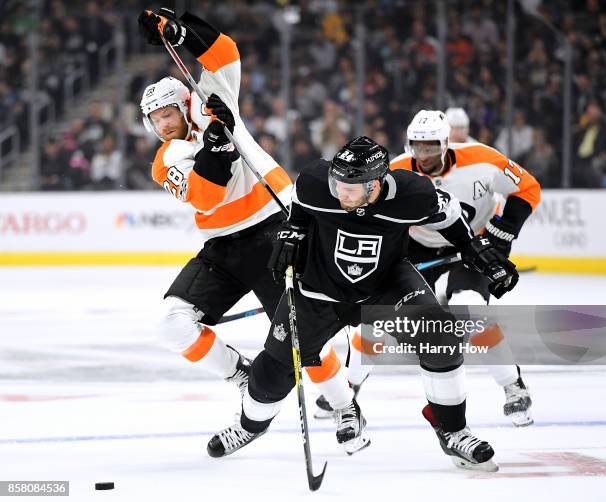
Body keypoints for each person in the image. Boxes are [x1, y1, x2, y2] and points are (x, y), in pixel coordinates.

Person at [208, 135, 519, 471]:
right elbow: (301, 200)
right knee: (273, 371)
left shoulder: (412, 195)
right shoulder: (317, 182)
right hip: (317, 289)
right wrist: (293, 229)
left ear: (375, 185)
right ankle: (250, 426)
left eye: (350, 187)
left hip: (385, 284)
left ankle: (453, 430)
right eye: (337, 182)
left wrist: (475, 249)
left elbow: (449, 214)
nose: (340, 192)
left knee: (440, 336)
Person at [138, 9, 354, 415]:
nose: (163, 124)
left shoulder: (211, 106)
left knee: (304, 338)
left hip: (276, 229)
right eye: (155, 119)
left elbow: (225, 52)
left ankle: (345, 406)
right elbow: (204, 196)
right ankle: (241, 375)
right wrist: (217, 148)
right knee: (173, 324)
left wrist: (180, 31)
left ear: (185, 105)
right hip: (224, 248)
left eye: (167, 113)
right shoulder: (166, 160)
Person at [341, 111, 540, 427]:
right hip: (416, 248)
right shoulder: (393, 171)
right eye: (418, 147)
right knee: (376, 319)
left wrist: (503, 232)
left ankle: (512, 386)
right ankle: (346, 392)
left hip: (469, 245)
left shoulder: (483, 159)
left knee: (471, 310)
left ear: (447, 143)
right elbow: (370, 217)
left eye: (432, 147)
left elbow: (528, 188)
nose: (424, 155)